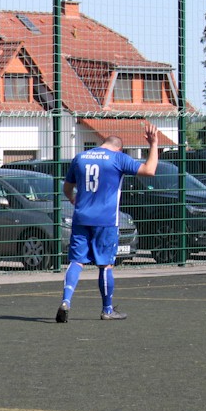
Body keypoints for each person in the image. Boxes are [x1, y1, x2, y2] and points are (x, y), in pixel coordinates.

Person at [56, 124, 158, 323]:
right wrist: (153, 144)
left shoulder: (80, 157)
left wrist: (72, 199)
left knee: (76, 261)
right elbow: (149, 170)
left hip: (81, 218)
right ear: (119, 148)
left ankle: (66, 301)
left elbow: (67, 188)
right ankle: (107, 309)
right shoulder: (117, 158)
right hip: (106, 221)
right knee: (105, 265)